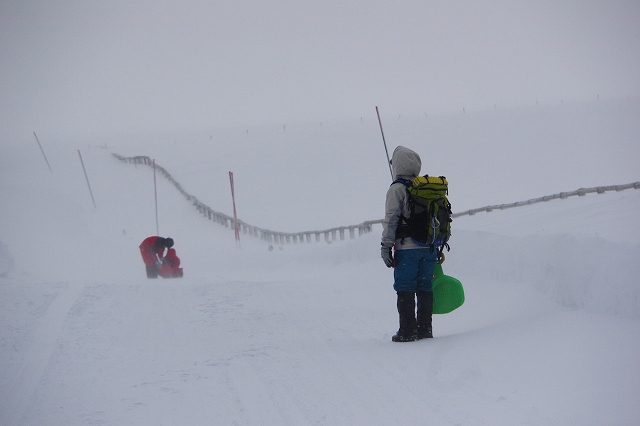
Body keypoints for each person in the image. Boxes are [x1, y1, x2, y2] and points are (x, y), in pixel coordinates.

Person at [381, 146, 440, 342]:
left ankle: (406, 331)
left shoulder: (397, 188)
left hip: (407, 247)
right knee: (424, 286)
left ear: (398, 165)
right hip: (429, 247)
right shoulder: (426, 187)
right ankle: (425, 329)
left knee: (405, 286)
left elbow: (391, 219)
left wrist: (386, 245)